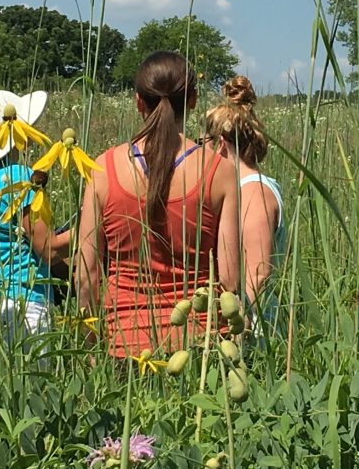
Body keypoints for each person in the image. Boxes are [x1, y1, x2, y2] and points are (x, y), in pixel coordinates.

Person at [75, 51, 240, 357]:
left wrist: (91, 343)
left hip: (123, 345)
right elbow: (230, 278)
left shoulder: (103, 169)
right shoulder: (220, 172)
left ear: (139, 102)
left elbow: (87, 276)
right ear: (192, 101)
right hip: (199, 347)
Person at [0, 90, 72, 347]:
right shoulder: (21, 177)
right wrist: (90, 227)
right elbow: (48, 249)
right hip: (25, 305)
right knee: (32, 387)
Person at [204, 75, 285, 326]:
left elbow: (258, 274)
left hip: (255, 334)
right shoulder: (239, 189)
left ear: (220, 145)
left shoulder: (254, 193)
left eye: (202, 143)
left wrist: (240, 330)